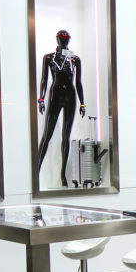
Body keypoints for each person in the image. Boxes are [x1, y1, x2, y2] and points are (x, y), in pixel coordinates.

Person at [37, 30, 86, 187]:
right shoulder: (49, 58)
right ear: (57, 39)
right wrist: (41, 99)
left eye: (66, 38)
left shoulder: (75, 59)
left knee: (66, 135)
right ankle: (35, 171)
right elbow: (44, 79)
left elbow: (78, 82)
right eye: (61, 38)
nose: (64, 41)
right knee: (47, 134)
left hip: (70, 96)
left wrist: (83, 103)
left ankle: (63, 176)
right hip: (56, 95)